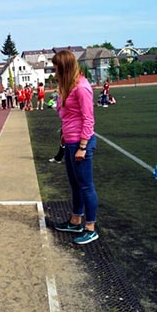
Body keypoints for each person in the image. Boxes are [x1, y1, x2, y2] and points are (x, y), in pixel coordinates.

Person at [53, 50, 100, 245]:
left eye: (56, 68)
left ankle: (90, 227)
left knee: (86, 186)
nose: (53, 72)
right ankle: (75, 220)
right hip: (71, 141)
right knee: (75, 185)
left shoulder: (81, 88)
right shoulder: (68, 87)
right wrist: (65, 134)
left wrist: (82, 146)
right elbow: (67, 114)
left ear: (64, 68)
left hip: (82, 143)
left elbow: (89, 119)